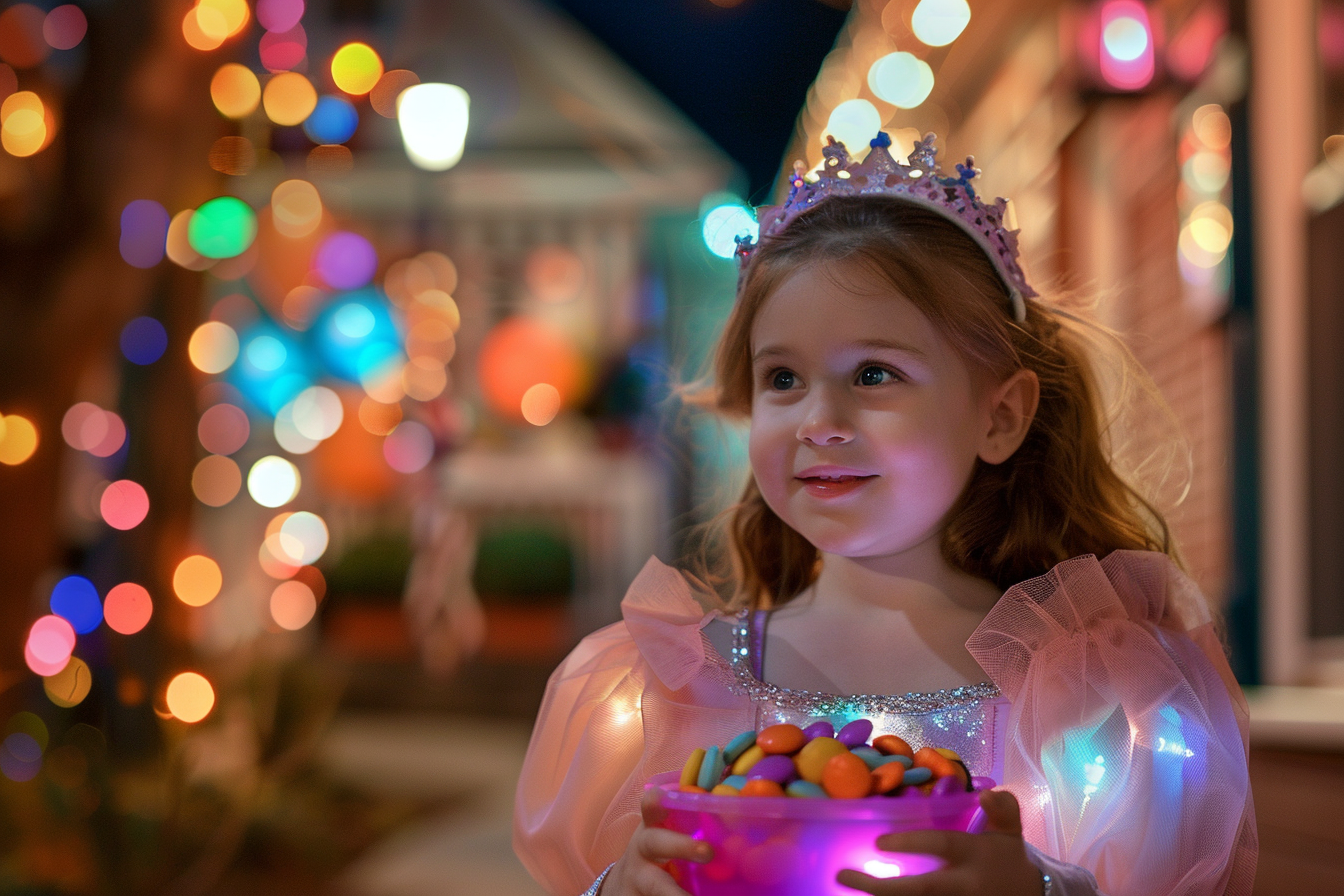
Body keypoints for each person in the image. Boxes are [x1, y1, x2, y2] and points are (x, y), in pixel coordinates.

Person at [513, 133, 1257, 896]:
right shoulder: (666, 689)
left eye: (874, 374)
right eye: (783, 378)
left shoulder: (1100, 696)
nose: (819, 419)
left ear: (999, 418)